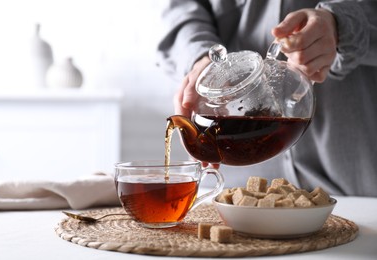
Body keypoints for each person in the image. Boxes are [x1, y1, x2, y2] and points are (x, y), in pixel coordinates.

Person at [157, 0, 377, 197]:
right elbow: (182, 11)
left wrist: (343, 24)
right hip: (235, 190)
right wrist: (199, 59)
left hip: (358, 183)